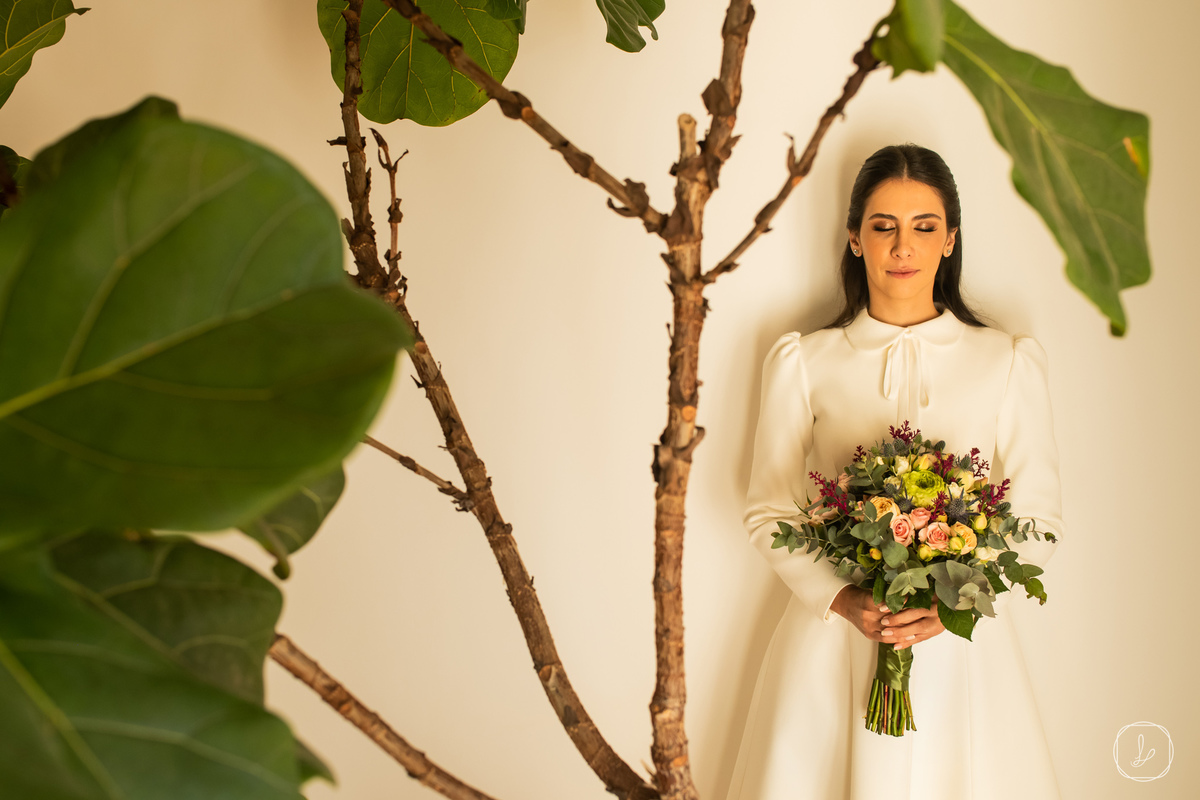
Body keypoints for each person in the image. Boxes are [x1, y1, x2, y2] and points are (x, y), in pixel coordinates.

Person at [725, 144, 1063, 800]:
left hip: (963, 652)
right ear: (855, 238)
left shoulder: (1009, 360)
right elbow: (768, 510)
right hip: (833, 643)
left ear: (950, 240)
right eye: (883, 226)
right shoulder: (802, 359)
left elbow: (1039, 520)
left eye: (923, 227)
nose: (902, 246)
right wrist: (844, 600)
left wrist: (952, 603)